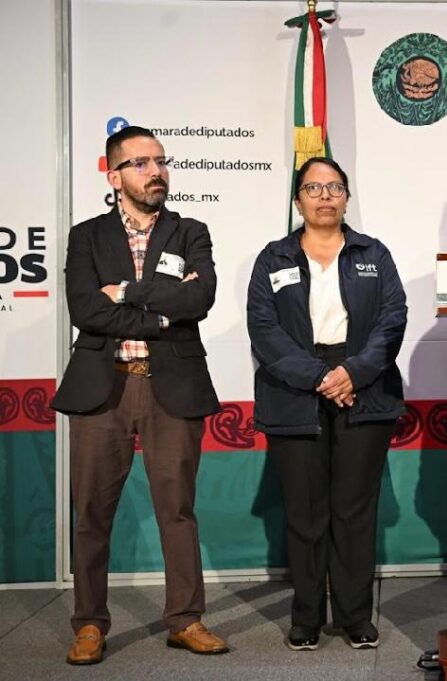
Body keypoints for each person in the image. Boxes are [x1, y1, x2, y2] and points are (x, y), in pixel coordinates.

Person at [52, 125, 228, 664]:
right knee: (92, 512)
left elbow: (201, 298)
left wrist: (127, 292)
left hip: (171, 387)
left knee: (177, 509)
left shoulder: (190, 231)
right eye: (142, 163)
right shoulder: (86, 236)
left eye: (161, 161)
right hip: (102, 388)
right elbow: (86, 310)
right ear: (114, 176)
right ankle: (89, 623)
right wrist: (162, 315)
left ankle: (185, 619)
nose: (156, 171)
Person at [247, 157, 407, 651]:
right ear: (298, 200)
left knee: (354, 510)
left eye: (334, 188)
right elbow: (264, 329)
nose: (324, 196)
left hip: (364, 385)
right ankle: (307, 617)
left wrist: (353, 372)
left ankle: (356, 616)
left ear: (346, 198)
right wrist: (319, 376)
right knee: (305, 512)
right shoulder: (273, 258)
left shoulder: (373, 254)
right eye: (313, 188)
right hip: (295, 390)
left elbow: (392, 319)